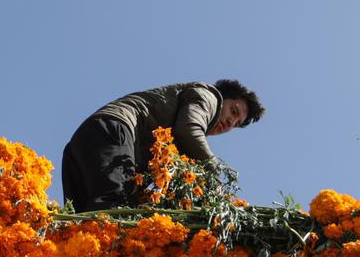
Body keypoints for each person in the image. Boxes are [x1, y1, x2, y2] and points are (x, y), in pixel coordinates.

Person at [61, 79, 265, 211]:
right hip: (113, 131)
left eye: (236, 124)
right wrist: (213, 171)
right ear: (223, 99)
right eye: (233, 111)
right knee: (115, 211)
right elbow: (188, 129)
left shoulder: (185, 142)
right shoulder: (210, 96)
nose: (230, 122)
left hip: (87, 140)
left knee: (82, 223)